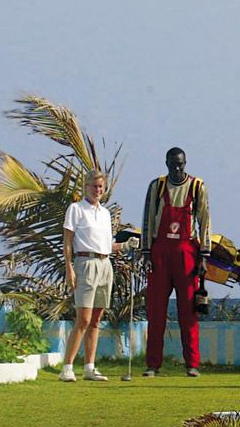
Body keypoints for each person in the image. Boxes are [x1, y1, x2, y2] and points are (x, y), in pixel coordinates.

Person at [141, 147, 211, 376]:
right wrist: (147, 253)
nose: (177, 168)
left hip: (187, 253)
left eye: (180, 164)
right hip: (160, 251)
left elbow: (205, 220)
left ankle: (192, 364)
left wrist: (204, 255)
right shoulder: (157, 186)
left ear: (185, 163)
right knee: (156, 311)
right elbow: (148, 218)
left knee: (188, 312)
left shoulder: (197, 186)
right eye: (173, 164)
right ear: (166, 163)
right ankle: (153, 365)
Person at [60, 171, 129, 382]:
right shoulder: (76, 209)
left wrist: (127, 245)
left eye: (100, 187)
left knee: (96, 320)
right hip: (85, 264)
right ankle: (67, 367)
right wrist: (69, 267)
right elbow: (68, 241)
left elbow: (107, 245)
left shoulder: (106, 213)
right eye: (94, 186)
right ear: (86, 186)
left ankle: (90, 366)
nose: (97, 190)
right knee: (84, 319)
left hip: (105, 264)